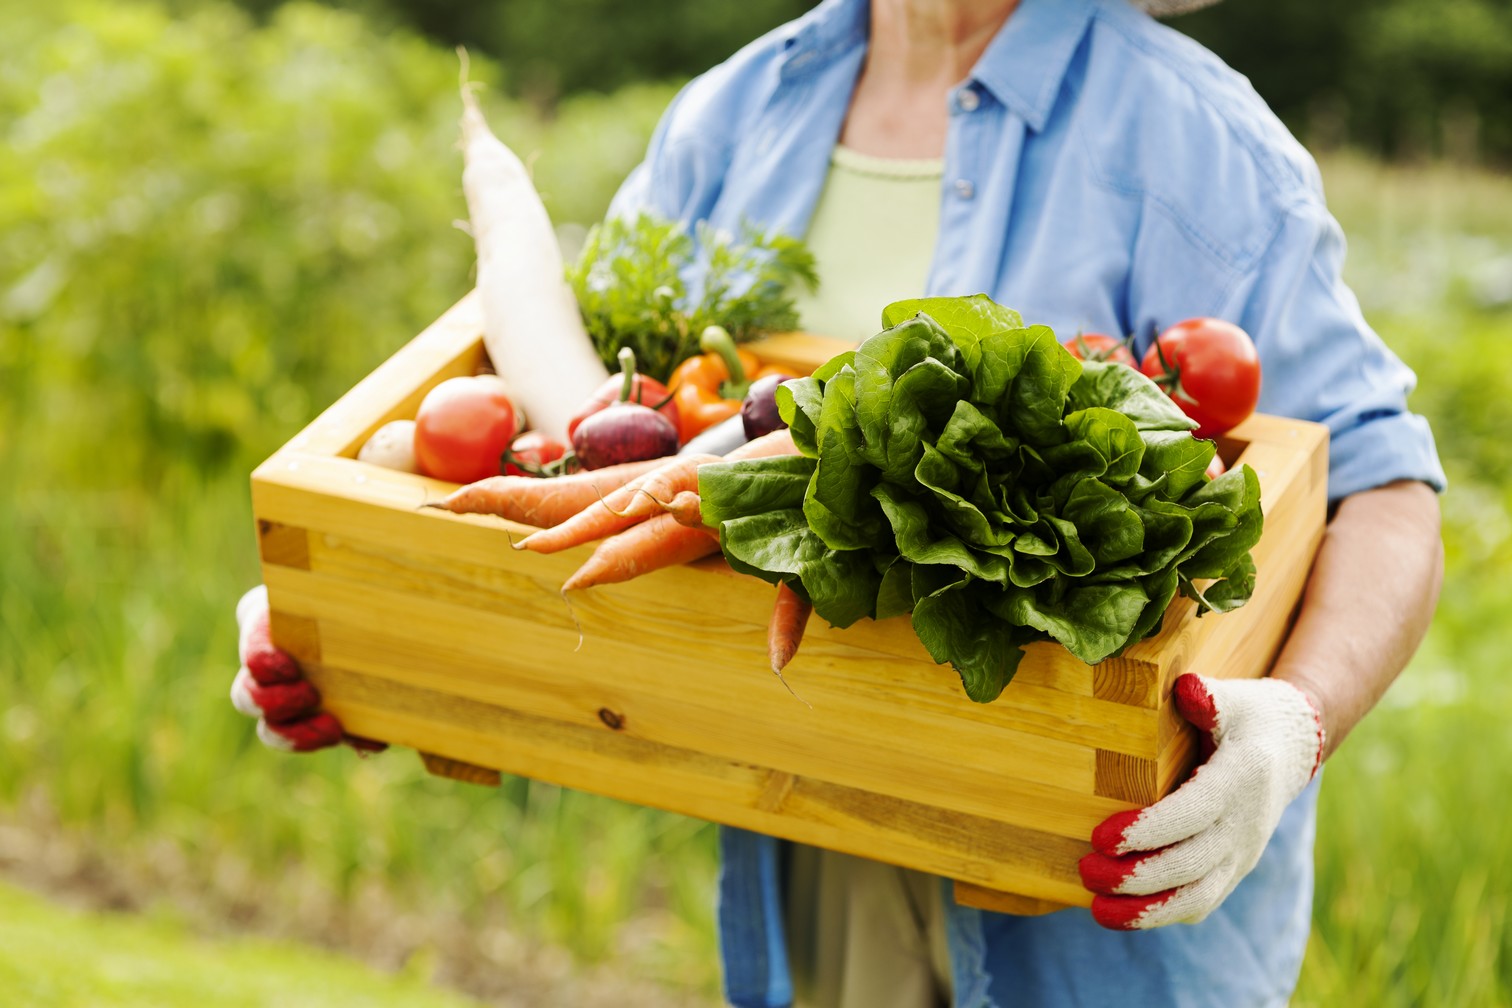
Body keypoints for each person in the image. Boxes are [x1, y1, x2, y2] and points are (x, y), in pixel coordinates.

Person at [232, 0, 1446, 1004]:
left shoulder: (1196, 140)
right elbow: (594, 426)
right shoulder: (738, 113)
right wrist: (360, 611)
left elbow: (1387, 491)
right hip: (807, 872)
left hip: (1102, 928)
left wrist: (1293, 726)